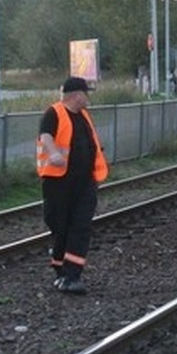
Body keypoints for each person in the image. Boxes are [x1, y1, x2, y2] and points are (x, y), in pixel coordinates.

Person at [37, 77, 108, 294]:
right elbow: (45, 134)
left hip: (85, 182)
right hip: (58, 183)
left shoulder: (84, 116)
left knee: (81, 226)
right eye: (86, 93)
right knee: (61, 226)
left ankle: (73, 275)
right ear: (77, 95)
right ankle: (61, 271)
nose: (88, 98)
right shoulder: (54, 113)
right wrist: (54, 152)